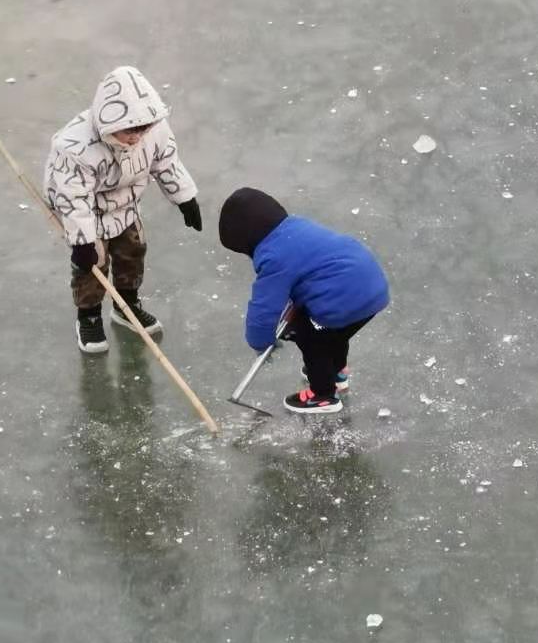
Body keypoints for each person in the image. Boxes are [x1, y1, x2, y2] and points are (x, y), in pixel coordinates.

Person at [44, 65, 202, 354]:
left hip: (126, 204)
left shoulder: (153, 130)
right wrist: (82, 240)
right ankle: (89, 316)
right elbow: (73, 196)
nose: (137, 138)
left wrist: (184, 197)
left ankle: (126, 305)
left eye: (143, 130)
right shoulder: (75, 147)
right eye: (130, 131)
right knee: (93, 265)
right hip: (88, 212)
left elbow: (166, 161)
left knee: (133, 252)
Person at [218, 187, 390, 415]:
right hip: (370, 287)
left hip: (344, 299)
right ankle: (337, 372)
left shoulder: (274, 256)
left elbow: (265, 308)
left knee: (310, 337)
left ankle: (323, 394)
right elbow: (309, 271)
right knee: (335, 333)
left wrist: (260, 342)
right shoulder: (296, 227)